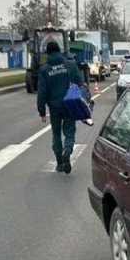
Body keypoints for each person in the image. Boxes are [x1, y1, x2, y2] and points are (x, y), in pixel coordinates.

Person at [36, 40, 85, 174]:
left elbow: (42, 92)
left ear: (47, 53)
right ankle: (67, 151)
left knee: (56, 134)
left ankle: (59, 162)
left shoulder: (44, 70)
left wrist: (41, 111)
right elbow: (80, 83)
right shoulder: (71, 65)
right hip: (70, 105)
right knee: (70, 132)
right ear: (59, 51)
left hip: (54, 108)